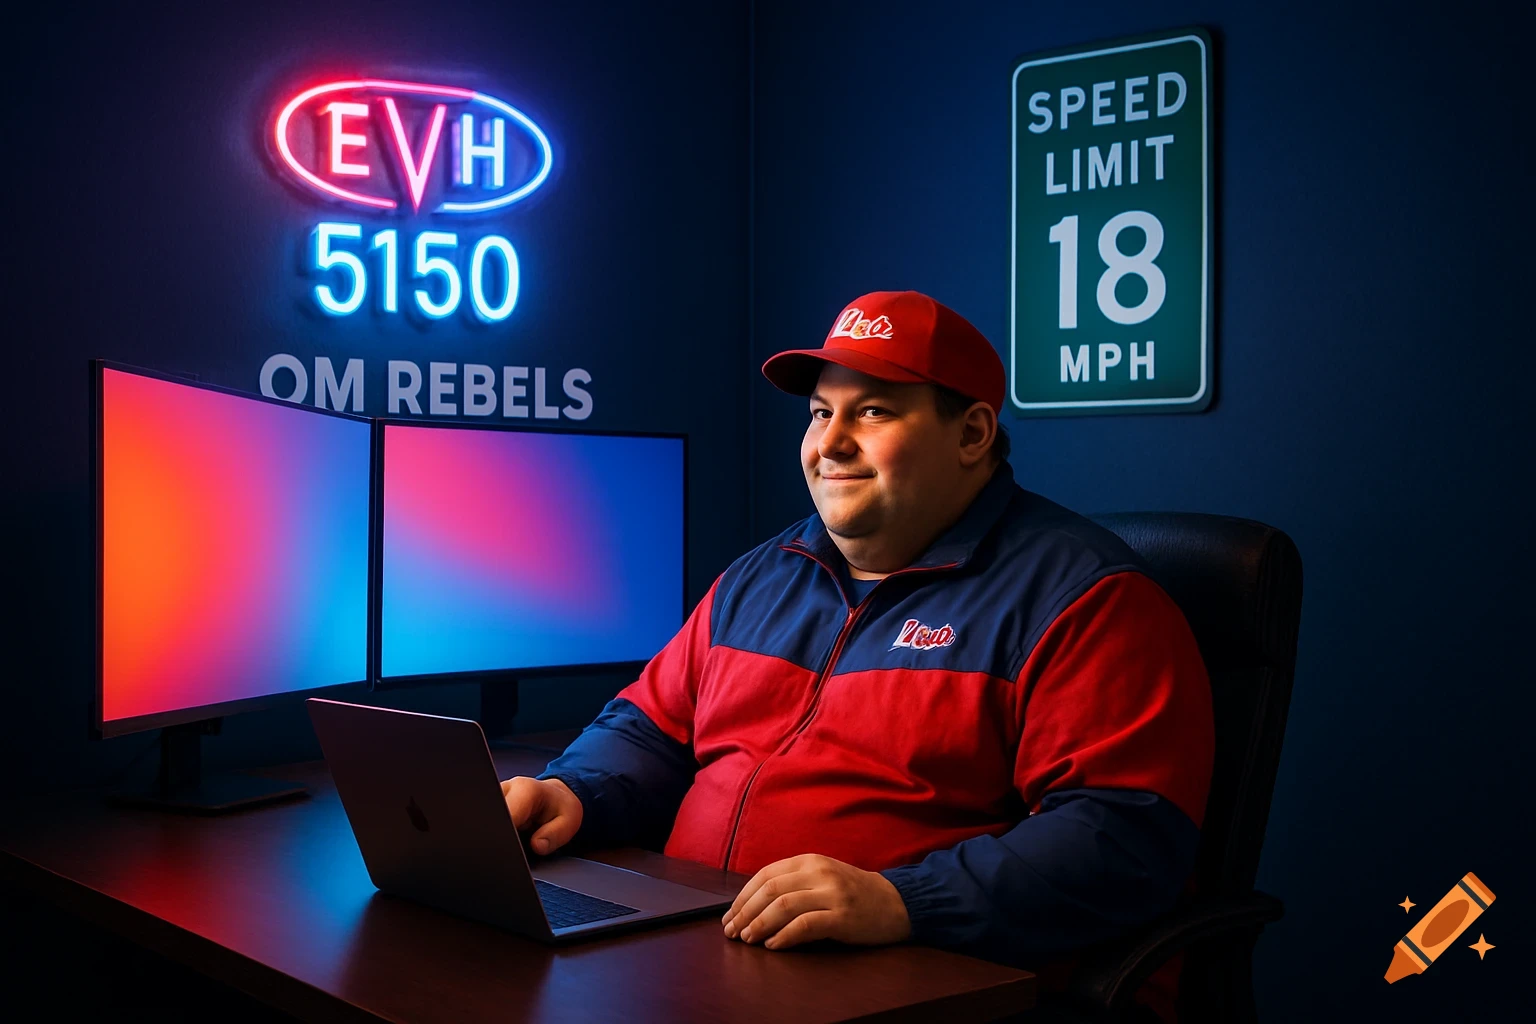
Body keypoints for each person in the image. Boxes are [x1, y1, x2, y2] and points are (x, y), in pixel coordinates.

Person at [500, 290, 1213, 1020]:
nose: (830, 442)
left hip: (921, 980)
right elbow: (649, 727)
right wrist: (573, 792)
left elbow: (1121, 835)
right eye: (819, 413)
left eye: (872, 412)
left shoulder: (1084, 598)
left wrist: (901, 900)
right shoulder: (761, 575)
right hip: (704, 952)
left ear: (971, 434)